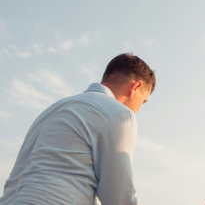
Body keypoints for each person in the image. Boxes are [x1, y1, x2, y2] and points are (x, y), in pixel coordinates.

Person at [0, 53, 155, 205]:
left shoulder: (52, 110)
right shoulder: (118, 113)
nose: (138, 109)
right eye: (144, 101)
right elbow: (119, 197)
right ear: (136, 87)